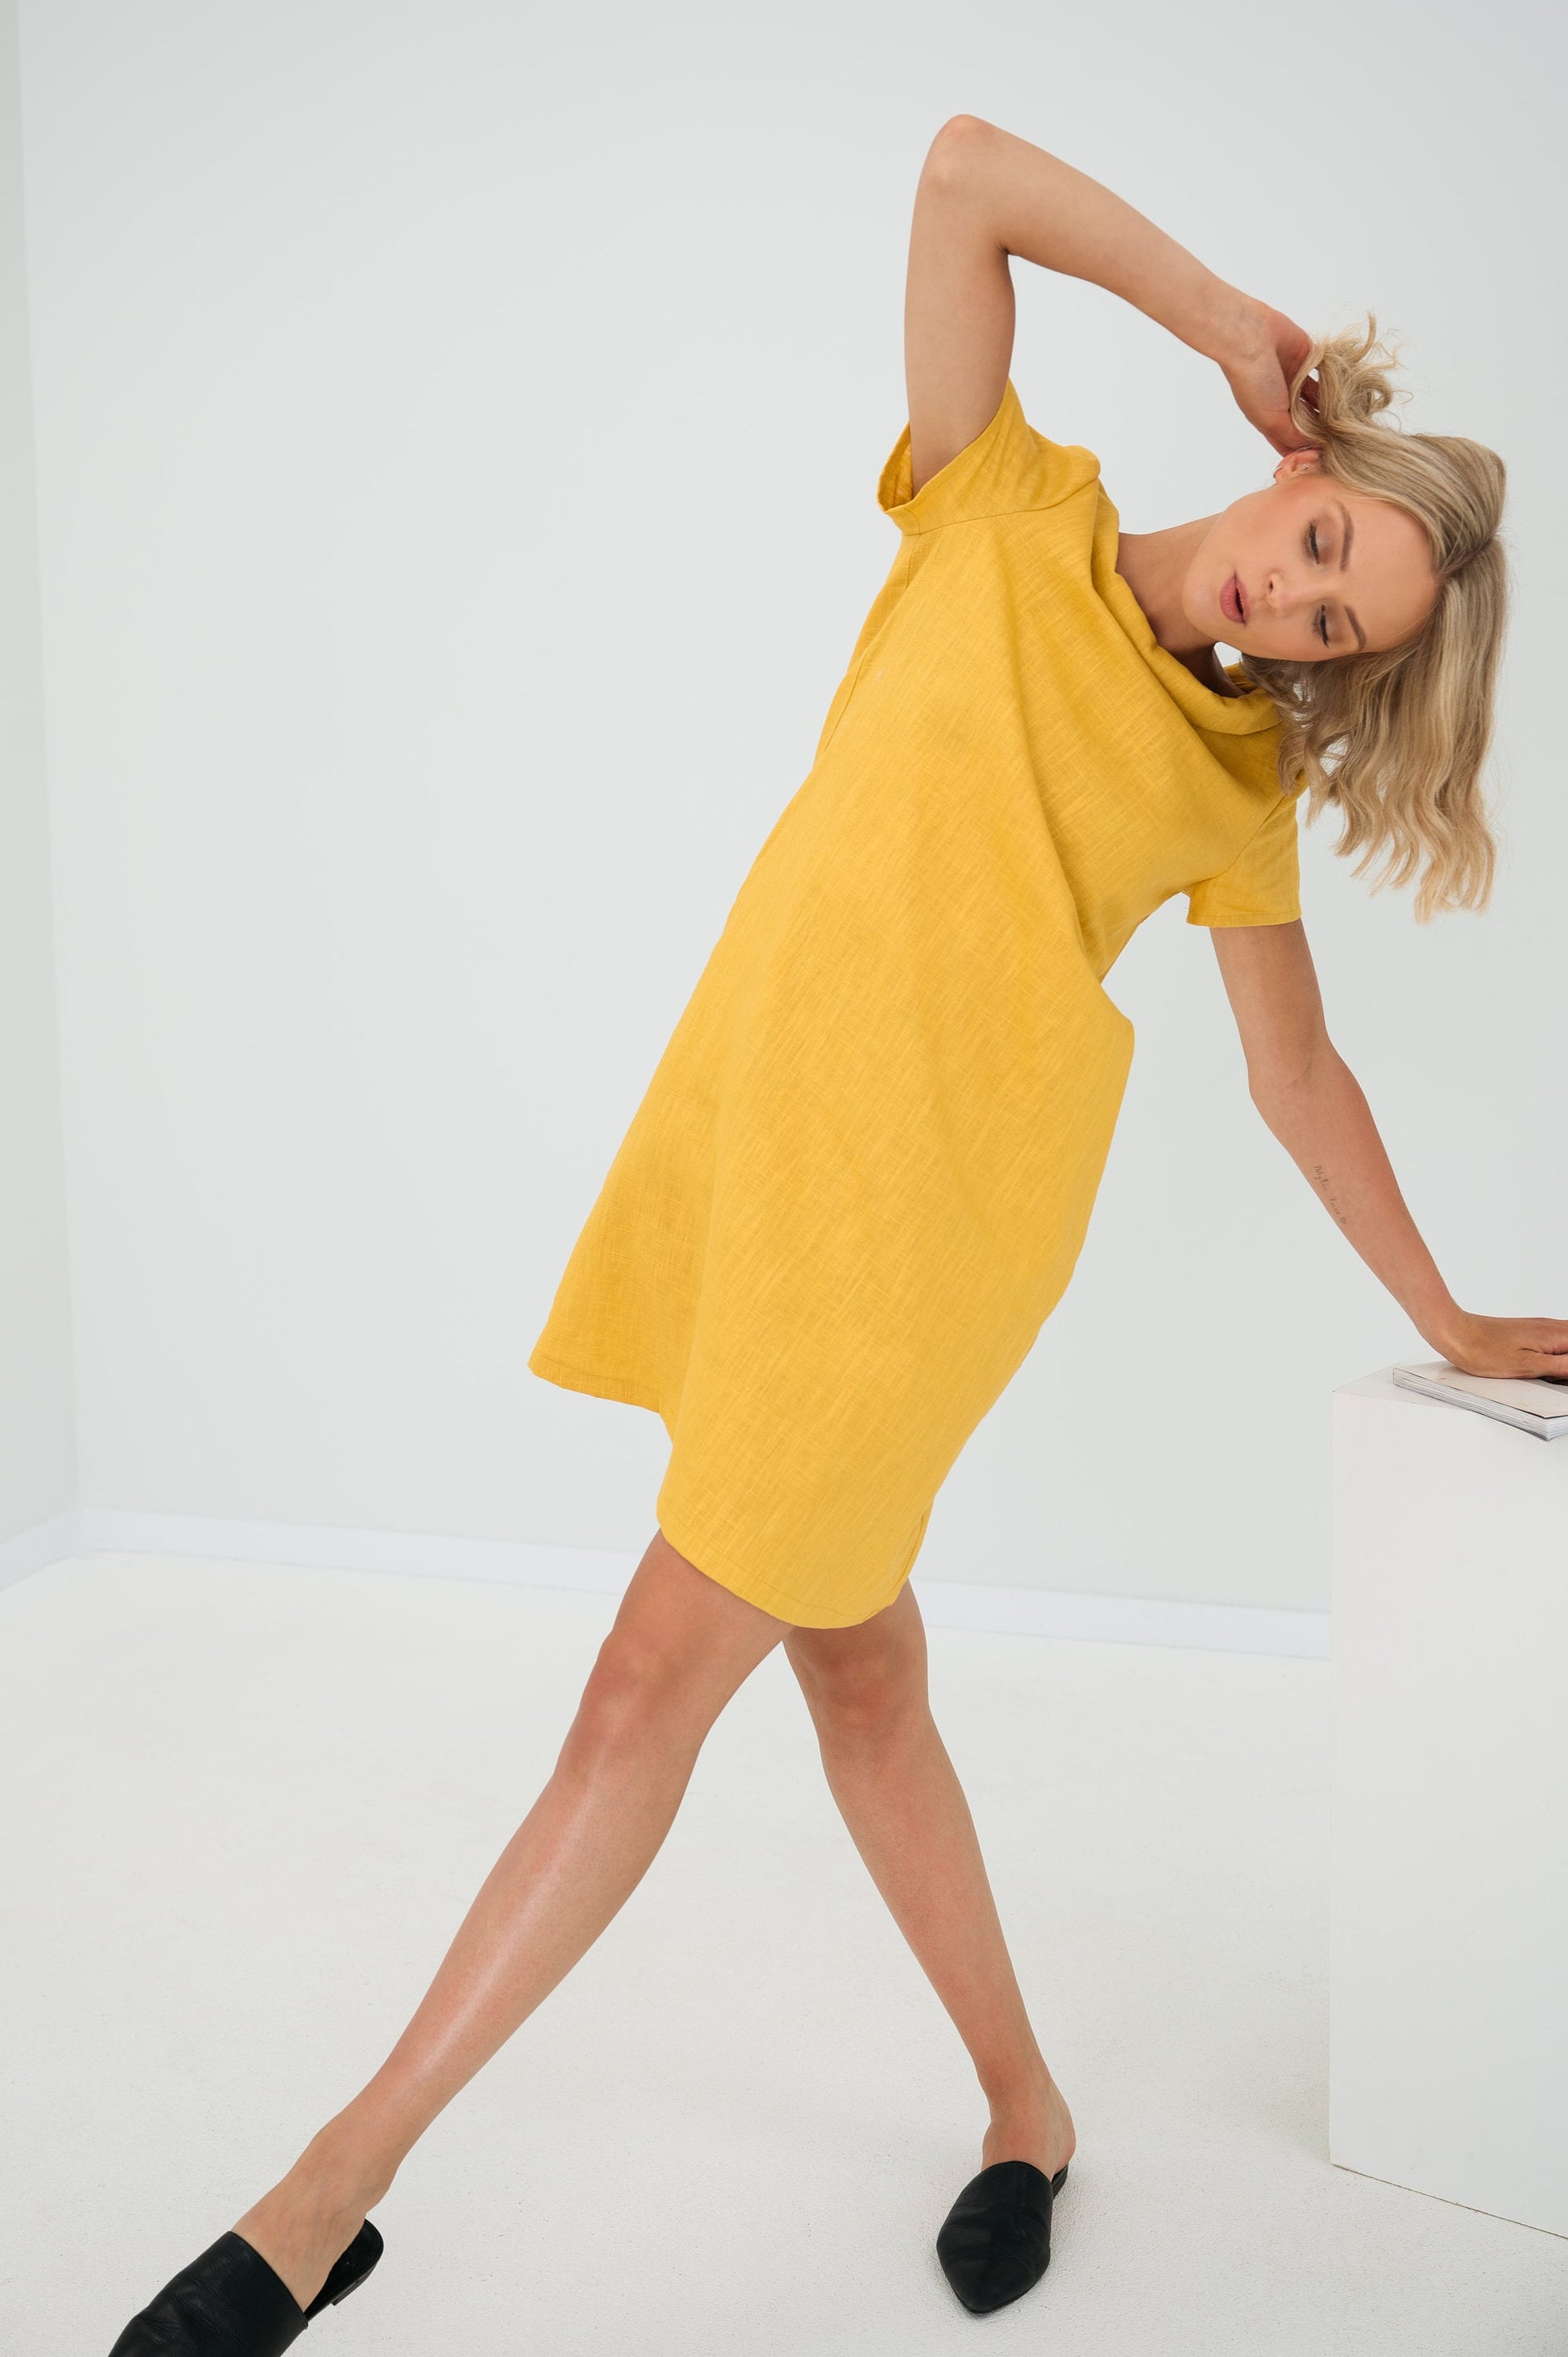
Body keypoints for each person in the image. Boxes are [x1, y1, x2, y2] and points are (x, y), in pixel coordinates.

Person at [108, 115, 1568, 2352]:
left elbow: (1298, 1080)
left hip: (917, 1248)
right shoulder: (1004, 502)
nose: (1285, 604)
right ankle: (1028, 2108)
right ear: (1304, 467)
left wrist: (1445, 1310)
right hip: (755, 1153)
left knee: (643, 1683)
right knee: (864, 1681)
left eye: (1332, 625)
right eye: (1318, 546)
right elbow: (963, 174)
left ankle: (326, 2195)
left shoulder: (1237, 782)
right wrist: (1219, 322)